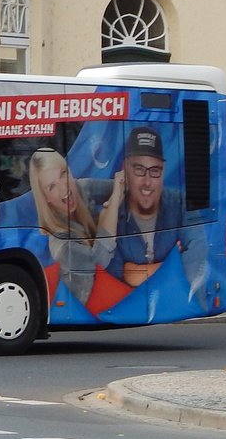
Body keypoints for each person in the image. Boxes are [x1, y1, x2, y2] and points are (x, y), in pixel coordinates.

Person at [106, 126, 206, 288]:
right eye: (139, 169)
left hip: (176, 303)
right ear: (125, 170)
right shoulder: (113, 215)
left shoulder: (181, 204)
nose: (147, 182)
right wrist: (174, 261)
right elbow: (115, 274)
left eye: (154, 171)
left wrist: (137, 270)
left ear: (163, 172)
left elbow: (198, 255)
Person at [29, 148, 122, 305]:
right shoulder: (60, 244)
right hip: (83, 306)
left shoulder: (81, 189)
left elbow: (123, 185)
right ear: (45, 199)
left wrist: (120, 186)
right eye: (51, 186)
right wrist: (110, 208)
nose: (64, 188)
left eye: (63, 174)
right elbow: (100, 260)